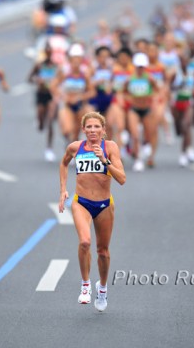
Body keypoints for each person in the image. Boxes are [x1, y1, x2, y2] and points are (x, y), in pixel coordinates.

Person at [59, 111, 126, 312]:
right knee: (85, 242)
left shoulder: (110, 147)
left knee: (103, 252)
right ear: (83, 130)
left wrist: (105, 161)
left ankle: (102, 288)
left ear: (103, 130)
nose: (93, 130)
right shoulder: (75, 147)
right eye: (89, 127)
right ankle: (85, 285)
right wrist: (63, 189)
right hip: (81, 202)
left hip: (104, 204)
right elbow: (63, 164)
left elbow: (122, 179)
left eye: (97, 127)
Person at [28, 42, 57, 162]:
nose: (49, 53)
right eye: (47, 51)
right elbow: (29, 79)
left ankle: (49, 148)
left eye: (51, 51)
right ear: (45, 52)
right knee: (41, 124)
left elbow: (62, 79)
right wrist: (37, 80)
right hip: (41, 94)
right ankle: (40, 121)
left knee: (50, 121)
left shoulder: (56, 66)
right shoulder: (39, 66)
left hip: (52, 95)